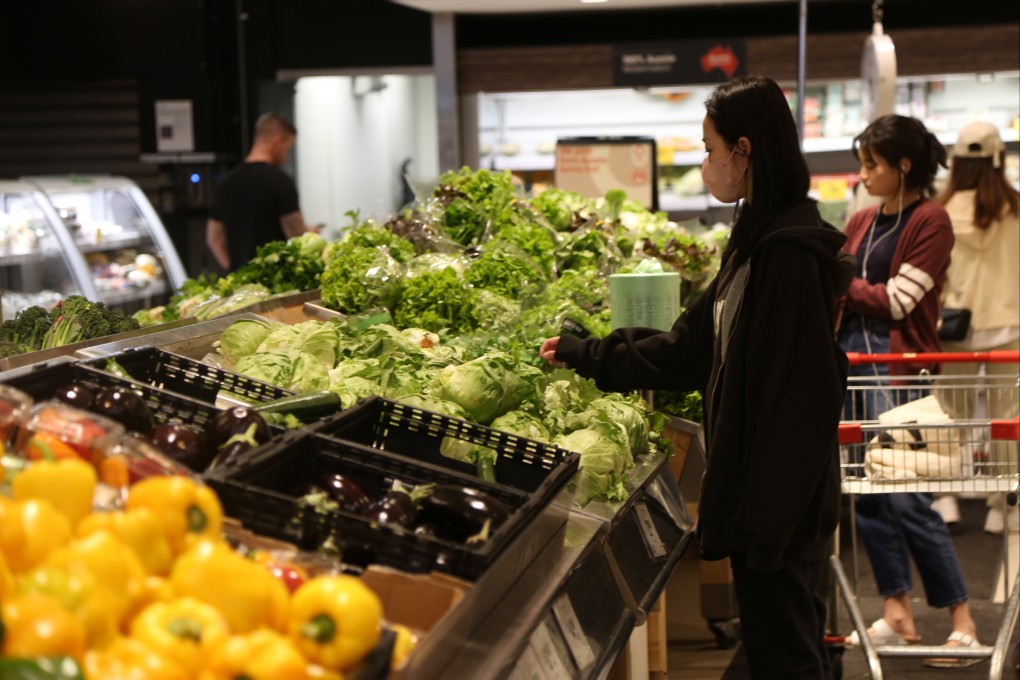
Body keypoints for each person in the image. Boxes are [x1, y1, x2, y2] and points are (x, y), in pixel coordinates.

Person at [541, 75, 852, 679]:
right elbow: (688, 350)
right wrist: (588, 353)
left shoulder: (787, 256)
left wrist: (767, 526)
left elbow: (802, 401)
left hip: (779, 519)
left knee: (786, 658)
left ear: (744, 151)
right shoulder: (755, 243)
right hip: (763, 512)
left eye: (709, 149)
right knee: (776, 652)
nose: (706, 163)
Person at [837, 114, 981, 667]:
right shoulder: (862, 220)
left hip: (898, 372)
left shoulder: (931, 220)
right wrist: (851, 289)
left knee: (908, 495)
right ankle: (897, 612)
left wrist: (842, 284)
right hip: (853, 365)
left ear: (902, 166)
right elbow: (859, 289)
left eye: (871, 163)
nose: (863, 173)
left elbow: (898, 301)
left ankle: (962, 619)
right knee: (870, 498)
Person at [932, 121, 1020, 534]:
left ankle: (944, 498)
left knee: (949, 411)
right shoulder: (1015, 207)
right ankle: (1002, 505)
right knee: (1008, 417)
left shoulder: (942, 210)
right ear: (997, 158)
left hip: (954, 327)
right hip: (1010, 325)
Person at [206, 112, 315, 272]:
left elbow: (214, 239)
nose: (285, 157)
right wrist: (310, 234)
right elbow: (296, 236)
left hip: (240, 288)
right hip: (275, 282)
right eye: (287, 149)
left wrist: (236, 271)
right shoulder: (280, 181)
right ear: (277, 141)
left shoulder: (225, 183)